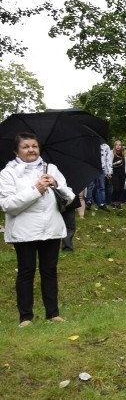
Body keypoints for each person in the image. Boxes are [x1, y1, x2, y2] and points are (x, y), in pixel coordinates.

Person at [0, 132, 75, 327]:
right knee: (26, 272)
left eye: (34, 146)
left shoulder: (51, 169)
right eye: (25, 146)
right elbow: (7, 204)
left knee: (49, 271)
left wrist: (56, 184)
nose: (31, 150)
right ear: (17, 151)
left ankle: (53, 314)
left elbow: (70, 197)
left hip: (51, 227)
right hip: (24, 231)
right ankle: (25, 317)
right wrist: (36, 190)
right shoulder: (8, 173)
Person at [85, 141, 111, 212]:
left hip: (101, 169)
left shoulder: (106, 146)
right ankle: (89, 202)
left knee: (101, 187)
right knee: (90, 185)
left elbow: (108, 159)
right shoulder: (91, 145)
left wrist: (109, 171)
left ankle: (102, 203)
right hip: (92, 168)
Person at [110, 140, 126, 208]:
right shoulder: (111, 153)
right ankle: (113, 202)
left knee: (121, 188)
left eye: (119, 145)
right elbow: (109, 164)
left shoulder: (124, 155)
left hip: (122, 173)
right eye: (116, 145)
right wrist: (109, 172)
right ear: (114, 146)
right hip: (114, 173)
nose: (118, 146)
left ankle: (118, 203)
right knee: (116, 188)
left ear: (121, 146)